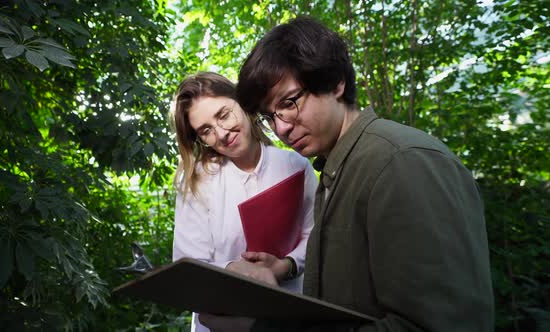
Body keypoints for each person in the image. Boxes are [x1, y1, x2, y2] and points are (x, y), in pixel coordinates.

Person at [199, 17, 495, 331]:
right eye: (271, 116)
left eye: (289, 102)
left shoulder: (402, 163)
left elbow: (441, 325)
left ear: (336, 82)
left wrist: (264, 330)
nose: (281, 128)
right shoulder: (337, 172)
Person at [171, 72, 318, 332]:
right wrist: (234, 269)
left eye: (223, 115)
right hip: (221, 323)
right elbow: (188, 268)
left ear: (241, 102)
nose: (222, 133)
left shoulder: (296, 165)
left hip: (288, 318)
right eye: (206, 130)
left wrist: (285, 266)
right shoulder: (197, 182)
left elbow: (315, 236)